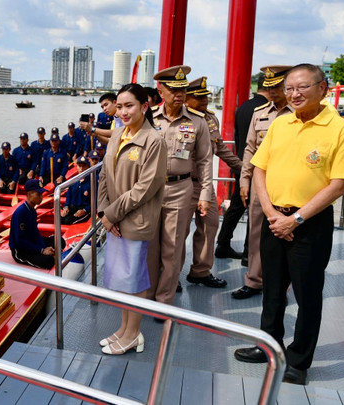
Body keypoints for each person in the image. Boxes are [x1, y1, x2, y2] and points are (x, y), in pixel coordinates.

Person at [234, 64, 344, 385]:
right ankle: (269, 345)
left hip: (310, 224)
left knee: (307, 293)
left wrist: (295, 219)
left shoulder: (340, 129)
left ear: (323, 88)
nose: (294, 94)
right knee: (271, 289)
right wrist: (272, 213)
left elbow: (338, 184)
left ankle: (299, 359)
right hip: (274, 219)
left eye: (302, 87)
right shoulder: (280, 123)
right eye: (290, 88)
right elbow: (259, 167)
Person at [98, 83, 167, 355]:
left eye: (130, 106)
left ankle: (133, 333)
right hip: (114, 219)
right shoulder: (118, 135)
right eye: (120, 106)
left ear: (144, 107)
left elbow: (145, 188)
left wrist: (111, 214)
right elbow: (104, 174)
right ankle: (125, 329)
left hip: (136, 220)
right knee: (120, 279)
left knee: (134, 280)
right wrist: (104, 212)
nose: (123, 111)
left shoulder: (154, 141)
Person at [147, 65, 215, 309]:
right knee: (150, 248)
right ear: (161, 90)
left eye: (183, 89)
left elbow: (206, 161)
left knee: (173, 249)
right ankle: (149, 295)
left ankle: (163, 301)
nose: (180, 94)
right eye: (174, 89)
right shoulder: (148, 118)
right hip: (150, 191)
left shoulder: (197, 122)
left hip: (180, 189)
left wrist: (205, 195)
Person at [232, 65, 294, 300]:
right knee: (256, 231)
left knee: (286, 234)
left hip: (288, 183)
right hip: (261, 182)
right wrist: (244, 180)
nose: (274, 92)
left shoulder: (297, 114)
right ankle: (255, 280)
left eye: (278, 87)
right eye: (270, 88)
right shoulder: (260, 113)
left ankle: (281, 285)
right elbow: (249, 148)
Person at [183, 76, 241, 289]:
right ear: (186, 99)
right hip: (182, 184)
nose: (205, 101)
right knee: (178, 233)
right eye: (199, 98)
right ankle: (169, 275)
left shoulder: (210, 119)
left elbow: (220, 149)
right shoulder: (180, 120)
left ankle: (200, 271)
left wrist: (243, 168)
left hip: (205, 184)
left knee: (209, 226)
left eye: (206, 97)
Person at [215, 76, 270, 263]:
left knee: (237, 205)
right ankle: (249, 251)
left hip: (242, 164)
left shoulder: (243, 107)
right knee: (256, 210)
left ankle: (223, 242)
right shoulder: (268, 110)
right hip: (260, 168)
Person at [10, 179, 65, 269]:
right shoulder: (21, 213)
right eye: (38, 194)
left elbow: (35, 233)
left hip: (31, 242)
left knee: (60, 241)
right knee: (49, 261)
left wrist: (43, 247)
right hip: (21, 250)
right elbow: (19, 241)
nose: (41, 197)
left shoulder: (32, 211)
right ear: (29, 194)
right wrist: (42, 250)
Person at [61, 156, 92, 225]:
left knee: (68, 221)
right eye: (79, 166)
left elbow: (95, 201)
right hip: (72, 207)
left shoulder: (92, 181)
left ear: (88, 167)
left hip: (84, 209)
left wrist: (85, 210)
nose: (81, 169)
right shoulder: (73, 180)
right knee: (60, 219)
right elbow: (69, 195)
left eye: (84, 166)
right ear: (76, 167)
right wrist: (66, 207)